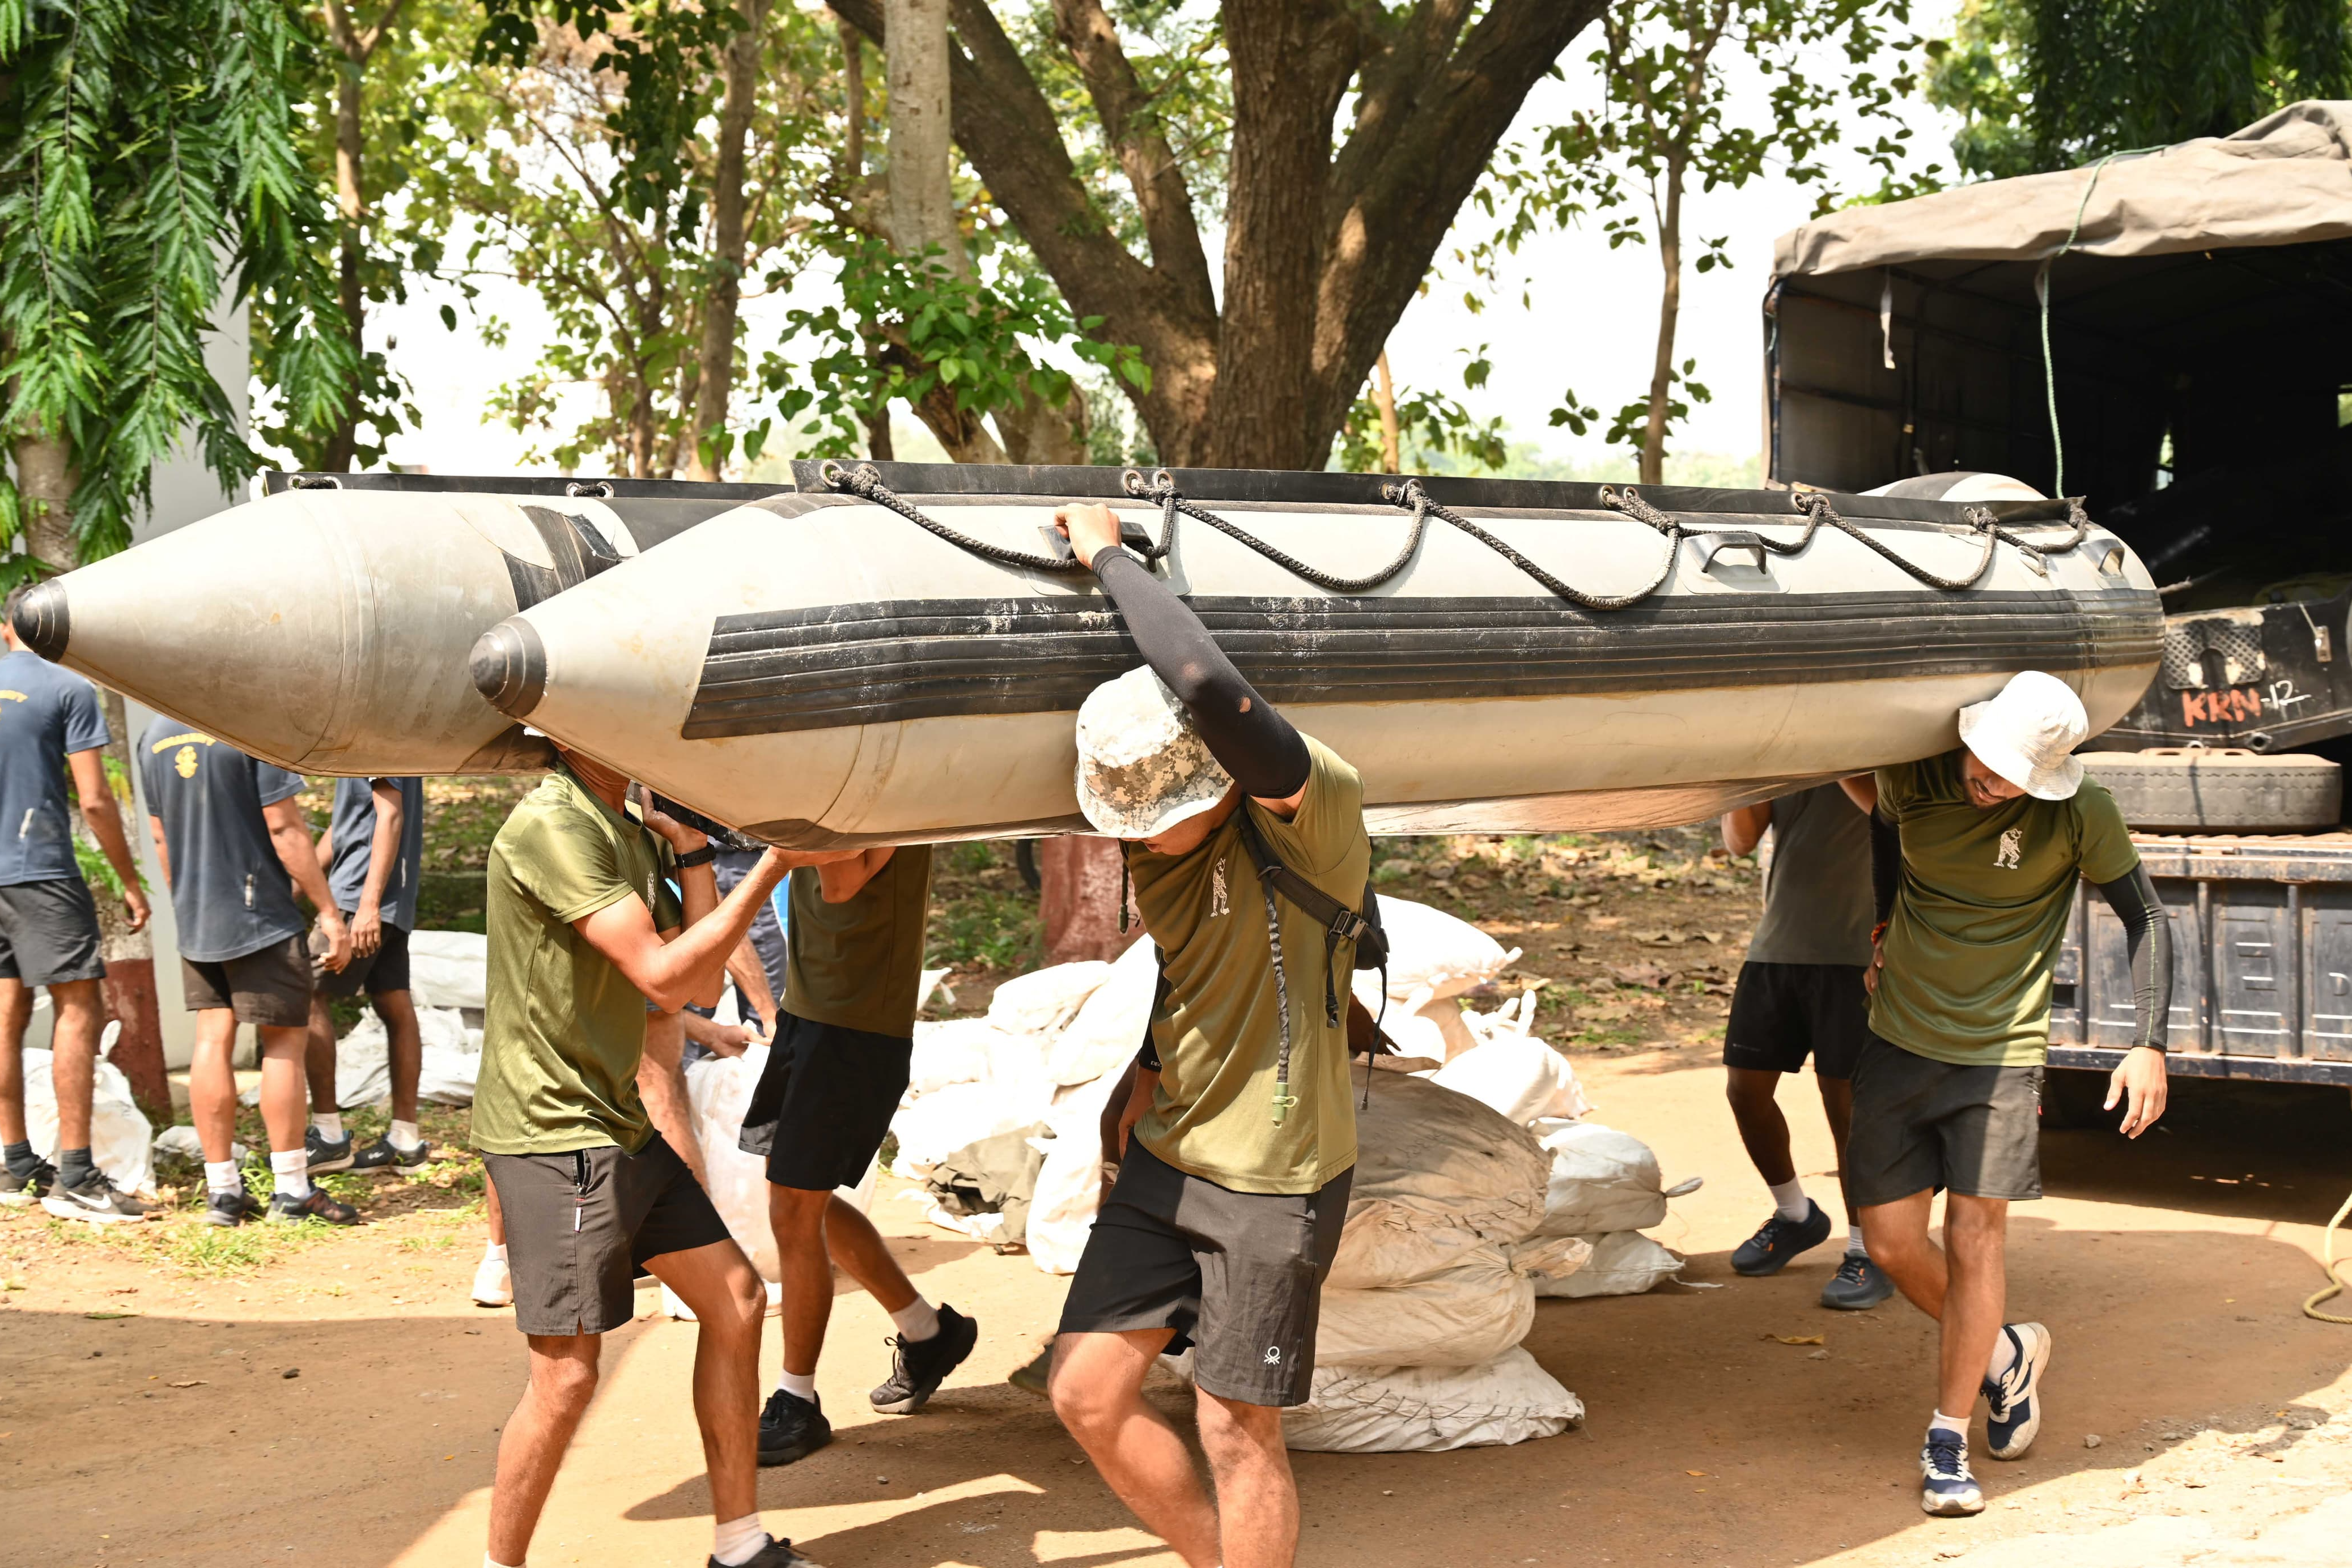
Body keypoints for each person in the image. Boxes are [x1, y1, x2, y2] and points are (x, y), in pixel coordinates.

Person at [1043, 502, 1370, 1568]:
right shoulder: (1156, 846)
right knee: (1086, 1392)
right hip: (1170, 1150)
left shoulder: (1310, 808)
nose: (1139, 831)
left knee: (1236, 1424)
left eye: (1155, 805)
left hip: (1277, 1171)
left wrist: (1105, 554)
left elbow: (1206, 688)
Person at [472, 744, 833, 1568]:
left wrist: (698, 854)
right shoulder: (557, 825)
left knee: (737, 1301)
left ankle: (738, 1544)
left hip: (616, 1120)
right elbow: (664, 978)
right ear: (570, 733)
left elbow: (699, 986)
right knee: (565, 1378)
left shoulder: (628, 829)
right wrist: (773, 863)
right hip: (553, 1131)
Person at [1854, 670, 2171, 1518]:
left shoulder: (2079, 812)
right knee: (1887, 1242)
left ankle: (1947, 1438)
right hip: (1897, 1036)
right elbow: (1886, 836)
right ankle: (2004, 1351)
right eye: (1986, 764)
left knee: (1974, 1238)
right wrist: (1882, 920)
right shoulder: (1916, 775)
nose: (1988, 783)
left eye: (2008, 777)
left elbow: (2145, 915)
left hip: (2000, 1051)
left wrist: (2146, 1044)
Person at [740, 839, 978, 1468]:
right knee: (796, 1201)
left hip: (855, 1025)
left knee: (795, 1210)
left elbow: (842, 882)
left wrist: (782, 840)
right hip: (811, 1008)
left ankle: (798, 1399)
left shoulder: (882, 778)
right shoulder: (832, 778)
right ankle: (929, 1332)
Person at [140, 724, 357, 1224]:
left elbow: (159, 833)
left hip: (198, 914)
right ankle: (293, 1188)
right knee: (284, 1041)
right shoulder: (244, 722)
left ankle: (223, 1193)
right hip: (258, 912)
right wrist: (328, 911)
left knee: (211, 1040)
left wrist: (186, 899)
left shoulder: (152, 733)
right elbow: (283, 828)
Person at [0, 590, 154, 1221]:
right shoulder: (67, 687)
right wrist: (129, 880)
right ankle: (76, 1174)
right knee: (79, 1005)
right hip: (38, 867)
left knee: (6, 1009)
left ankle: (12, 1165)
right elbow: (94, 799)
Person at [1718, 781, 1892, 1309]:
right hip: (1779, 945)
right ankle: (1796, 1215)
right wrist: (1742, 770)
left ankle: (1869, 1251)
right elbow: (1740, 841)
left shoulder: (1877, 748)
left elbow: (1890, 815)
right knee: (1745, 1090)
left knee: (1845, 1107)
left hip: (1857, 950)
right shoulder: (1785, 752)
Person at [303, 775, 428, 1175]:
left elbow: (389, 815)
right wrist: (296, 884)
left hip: (359, 892)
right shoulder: (376, 733)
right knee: (393, 999)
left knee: (306, 993)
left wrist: (367, 904)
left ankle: (328, 1135)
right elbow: (344, 827)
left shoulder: (375, 732)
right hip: (392, 894)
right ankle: (405, 1139)